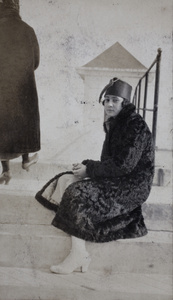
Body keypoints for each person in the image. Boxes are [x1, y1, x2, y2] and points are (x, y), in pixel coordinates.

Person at [35, 77, 155, 274]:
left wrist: (89, 170)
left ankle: (77, 255)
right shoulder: (115, 123)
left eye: (114, 100)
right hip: (118, 179)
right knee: (66, 180)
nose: (109, 104)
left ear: (124, 102)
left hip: (132, 186)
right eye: (106, 100)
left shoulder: (135, 125)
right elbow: (110, 161)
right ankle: (80, 253)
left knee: (77, 193)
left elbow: (124, 165)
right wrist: (85, 168)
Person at [0, 0, 40, 185]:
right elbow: (36, 62)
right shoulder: (28, 30)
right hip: (22, 86)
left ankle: (6, 170)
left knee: (2, 126)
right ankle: (25, 160)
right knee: (23, 121)